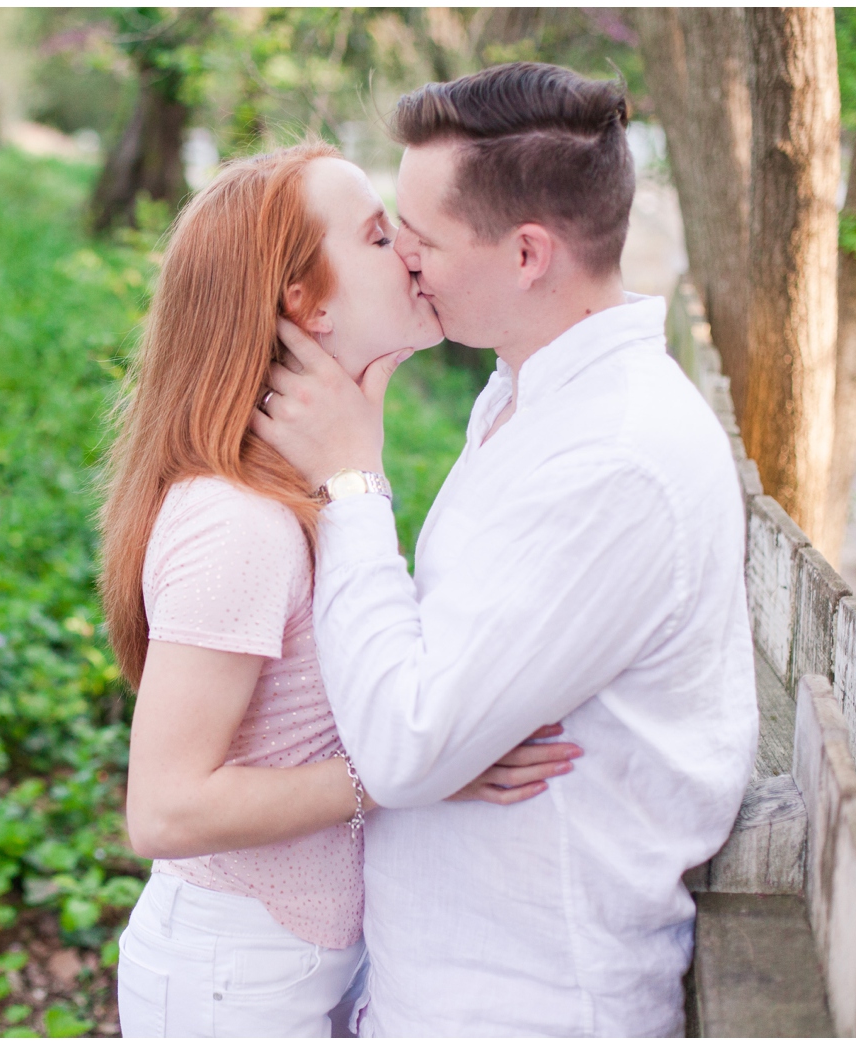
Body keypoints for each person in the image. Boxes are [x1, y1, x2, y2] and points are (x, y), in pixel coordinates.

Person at [251, 63, 760, 1037]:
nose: (403, 260)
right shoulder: (523, 393)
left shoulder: (616, 459)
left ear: (528, 253)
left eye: (424, 238)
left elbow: (405, 745)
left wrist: (354, 483)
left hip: (530, 1001)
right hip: (442, 980)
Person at [98, 142, 581, 1038]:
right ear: (305, 303)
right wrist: (411, 775)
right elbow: (164, 807)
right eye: (374, 233)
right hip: (229, 983)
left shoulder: (319, 483)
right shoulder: (236, 521)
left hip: (292, 966)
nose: (408, 248)